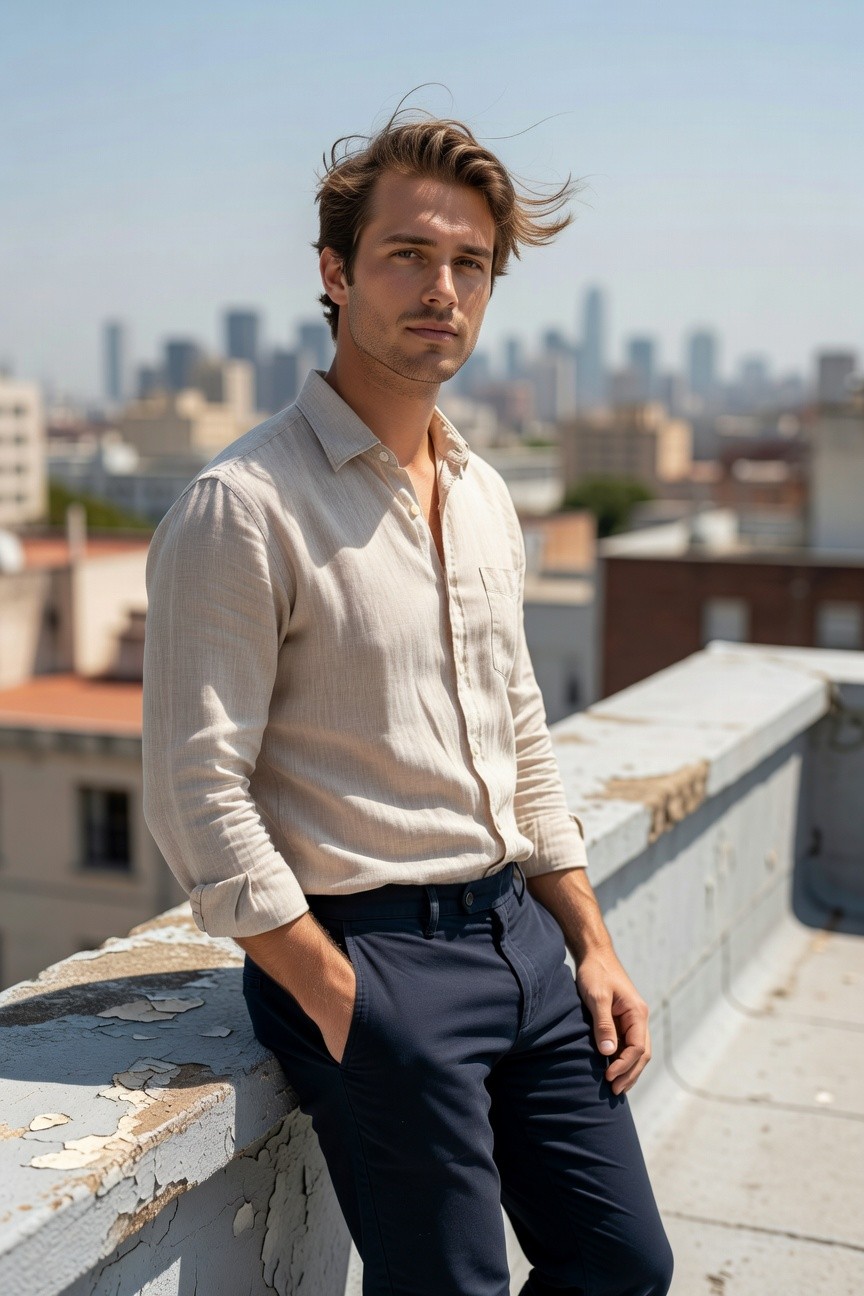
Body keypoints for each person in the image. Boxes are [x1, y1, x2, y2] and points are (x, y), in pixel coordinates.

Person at [143, 111, 673, 1296]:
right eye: (408, 255)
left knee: (625, 1264)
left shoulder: (484, 494)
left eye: (470, 264)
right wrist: (338, 998)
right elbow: (196, 788)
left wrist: (590, 940)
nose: (444, 288)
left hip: (523, 942)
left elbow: (520, 737)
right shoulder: (242, 506)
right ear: (334, 275)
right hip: (371, 960)